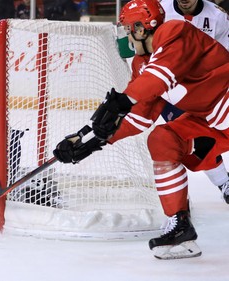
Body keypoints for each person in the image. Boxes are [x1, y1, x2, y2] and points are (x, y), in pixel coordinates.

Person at [53, 0, 229, 259]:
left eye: (128, 28)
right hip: (210, 122)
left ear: (141, 27)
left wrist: (123, 100)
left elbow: (160, 76)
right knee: (162, 139)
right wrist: (92, 140)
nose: (126, 35)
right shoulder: (142, 65)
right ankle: (180, 225)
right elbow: (140, 117)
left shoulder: (176, 32)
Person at [129, 0, 229, 200]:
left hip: (205, 89)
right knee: (194, 142)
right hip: (169, 88)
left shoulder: (218, 16)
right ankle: (222, 183)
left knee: (204, 140)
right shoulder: (158, 9)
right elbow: (136, 42)